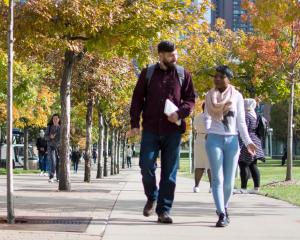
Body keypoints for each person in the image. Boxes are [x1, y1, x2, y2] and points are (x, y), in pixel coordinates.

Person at [128, 41, 195, 224]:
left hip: (173, 131)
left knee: (169, 172)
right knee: (145, 165)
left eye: (176, 54)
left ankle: (164, 210)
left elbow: (190, 100)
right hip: (150, 128)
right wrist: (135, 123)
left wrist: (180, 113)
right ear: (161, 56)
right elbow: (137, 99)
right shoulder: (148, 73)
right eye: (171, 55)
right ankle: (152, 196)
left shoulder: (183, 74)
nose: (175, 57)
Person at [204, 65, 257, 228]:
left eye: (221, 76)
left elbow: (241, 121)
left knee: (229, 181)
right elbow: (206, 115)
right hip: (214, 139)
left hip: (232, 141)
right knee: (217, 179)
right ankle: (221, 213)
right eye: (216, 76)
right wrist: (208, 129)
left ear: (228, 78)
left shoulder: (237, 96)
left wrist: (248, 141)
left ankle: (224, 206)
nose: (217, 79)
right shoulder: (209, 95)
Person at [238, 98, 265, 194]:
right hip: (256, 140)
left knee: (243, 164)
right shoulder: (255, 115)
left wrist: (240, 142)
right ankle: (256, 187)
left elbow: (244, 129)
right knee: (253, 164)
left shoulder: (246, 115)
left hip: (248, 141)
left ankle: (243, 188)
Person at [193, 103, 211, 193]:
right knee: (211, 164)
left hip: (199, 139)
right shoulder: (212, 117)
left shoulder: (197, 117)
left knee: (199, 164)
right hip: (210, 139)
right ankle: (212, 187)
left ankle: (196, 186)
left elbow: (194, 128)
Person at [45, 114, 60, 183]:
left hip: (59, 147)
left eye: (56, 118)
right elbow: (45, 137)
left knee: (58, 162)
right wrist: (50, 137)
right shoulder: (49, 127)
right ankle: (51, 177)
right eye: (54, 119)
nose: (55, 120)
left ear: (59, 119)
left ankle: (58, 177)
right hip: (51, 146)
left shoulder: (61, 127)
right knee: (53, 162)